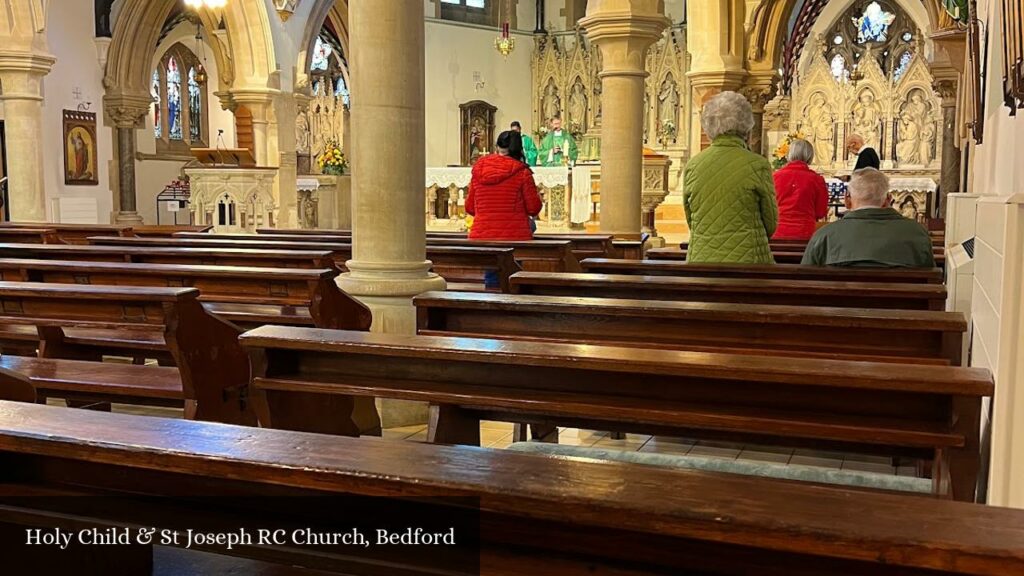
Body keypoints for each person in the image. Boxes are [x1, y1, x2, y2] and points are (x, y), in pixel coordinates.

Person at [683, 91, 778, 264]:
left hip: (701, 262)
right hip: (749, 263)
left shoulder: (693, 166)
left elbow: (690, 217)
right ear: (747, 126)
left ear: (708, 125)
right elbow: (770, 223)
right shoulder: (757, 165)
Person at [801, 168, 935, 268]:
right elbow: (931, 279)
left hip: (839, 305)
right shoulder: (917, 234)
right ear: (888, 199)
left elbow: (804, 281)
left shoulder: (824, 237)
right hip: (902, 306)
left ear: (847, 200)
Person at [466, 131, 542, 241]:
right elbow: (533, 209)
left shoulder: (479, 170)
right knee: (532, 225)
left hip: (481, 237)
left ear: (497, 147)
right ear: (518, 149)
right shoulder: (522, 172)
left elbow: (470, 208)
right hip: (515, 237)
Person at [772, 138, 829, 241]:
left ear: (789, 154)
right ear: (810, 156)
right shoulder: (816, 180)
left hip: (778, 233)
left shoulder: (775, 177)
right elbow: (821, 212)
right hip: (805, 234)